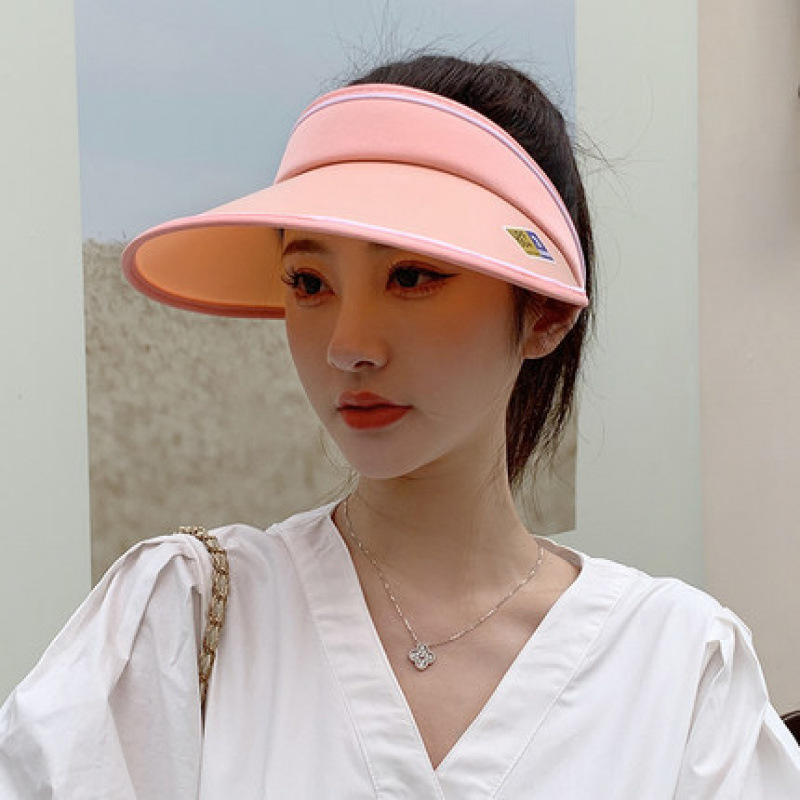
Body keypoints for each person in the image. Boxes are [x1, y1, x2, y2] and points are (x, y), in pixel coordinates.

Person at [1, 53, 799, 799]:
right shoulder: (184, 618)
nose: (348, 345)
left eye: (411, 275)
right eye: (308, 282)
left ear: (544, 312)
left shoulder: (677, 669)